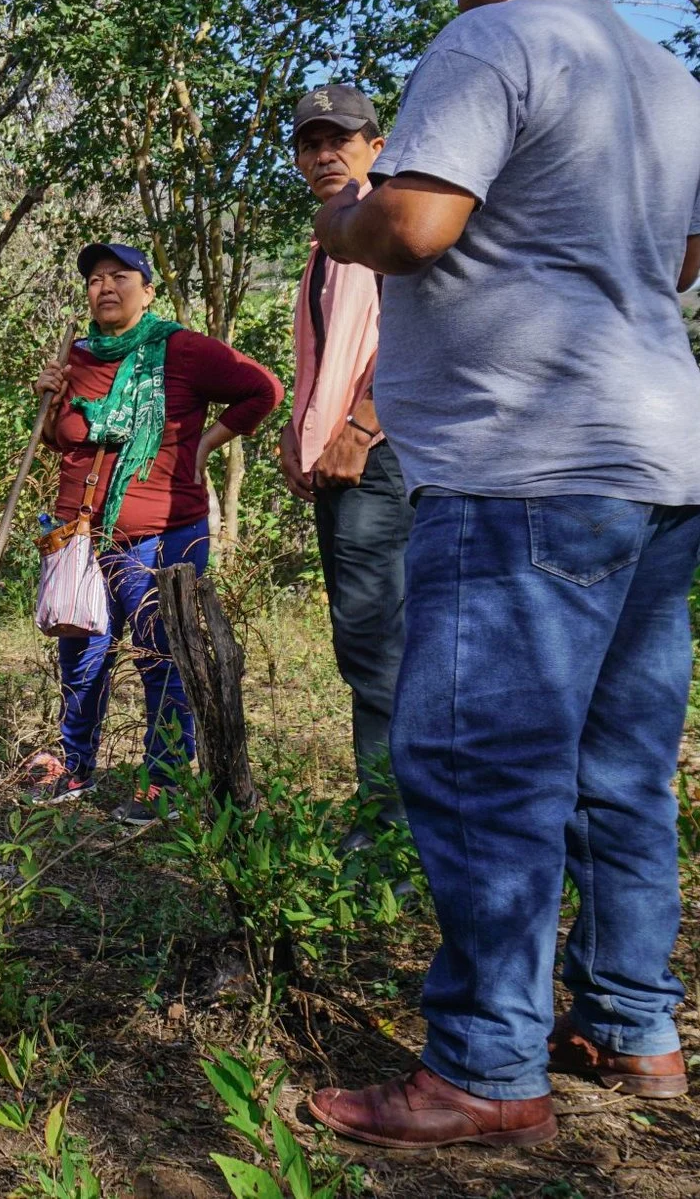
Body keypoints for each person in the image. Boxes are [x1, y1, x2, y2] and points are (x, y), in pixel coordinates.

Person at [304, 0, 700, 1150]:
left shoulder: (490, 41)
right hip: (664, 461)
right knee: (620, 765)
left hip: (526, 463)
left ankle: (488, 1061)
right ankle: (630, 1018)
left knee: (480, 761)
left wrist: (343, 219)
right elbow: (685, 261)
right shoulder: (668, 79)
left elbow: (420, 223)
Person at [22, 244, 283, 823]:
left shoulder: (182, 350)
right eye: (94, 279)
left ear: (148, 289)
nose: (106, 287)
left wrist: (208, 443)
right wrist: (48, 399)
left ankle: (163, 780)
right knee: (81, 653)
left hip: (161, 535)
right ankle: (73, 764)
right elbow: (64, 441)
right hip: (78, 536)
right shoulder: (76, 356)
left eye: (120, 276)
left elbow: (263, 389)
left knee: (162, 657)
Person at [279, 87, 412, 839]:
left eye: (342, 139)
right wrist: (301, 435)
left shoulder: (391, 222)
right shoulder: (331, 242)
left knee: (376, 642)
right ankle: (392, 808)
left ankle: (389, 823)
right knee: (367, 640)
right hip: (341, 467)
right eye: (311, 143)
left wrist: (361, 427)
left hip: (380, 463)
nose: (326, 153)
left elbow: (417, 338)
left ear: (376, 145)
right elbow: (325, 360)